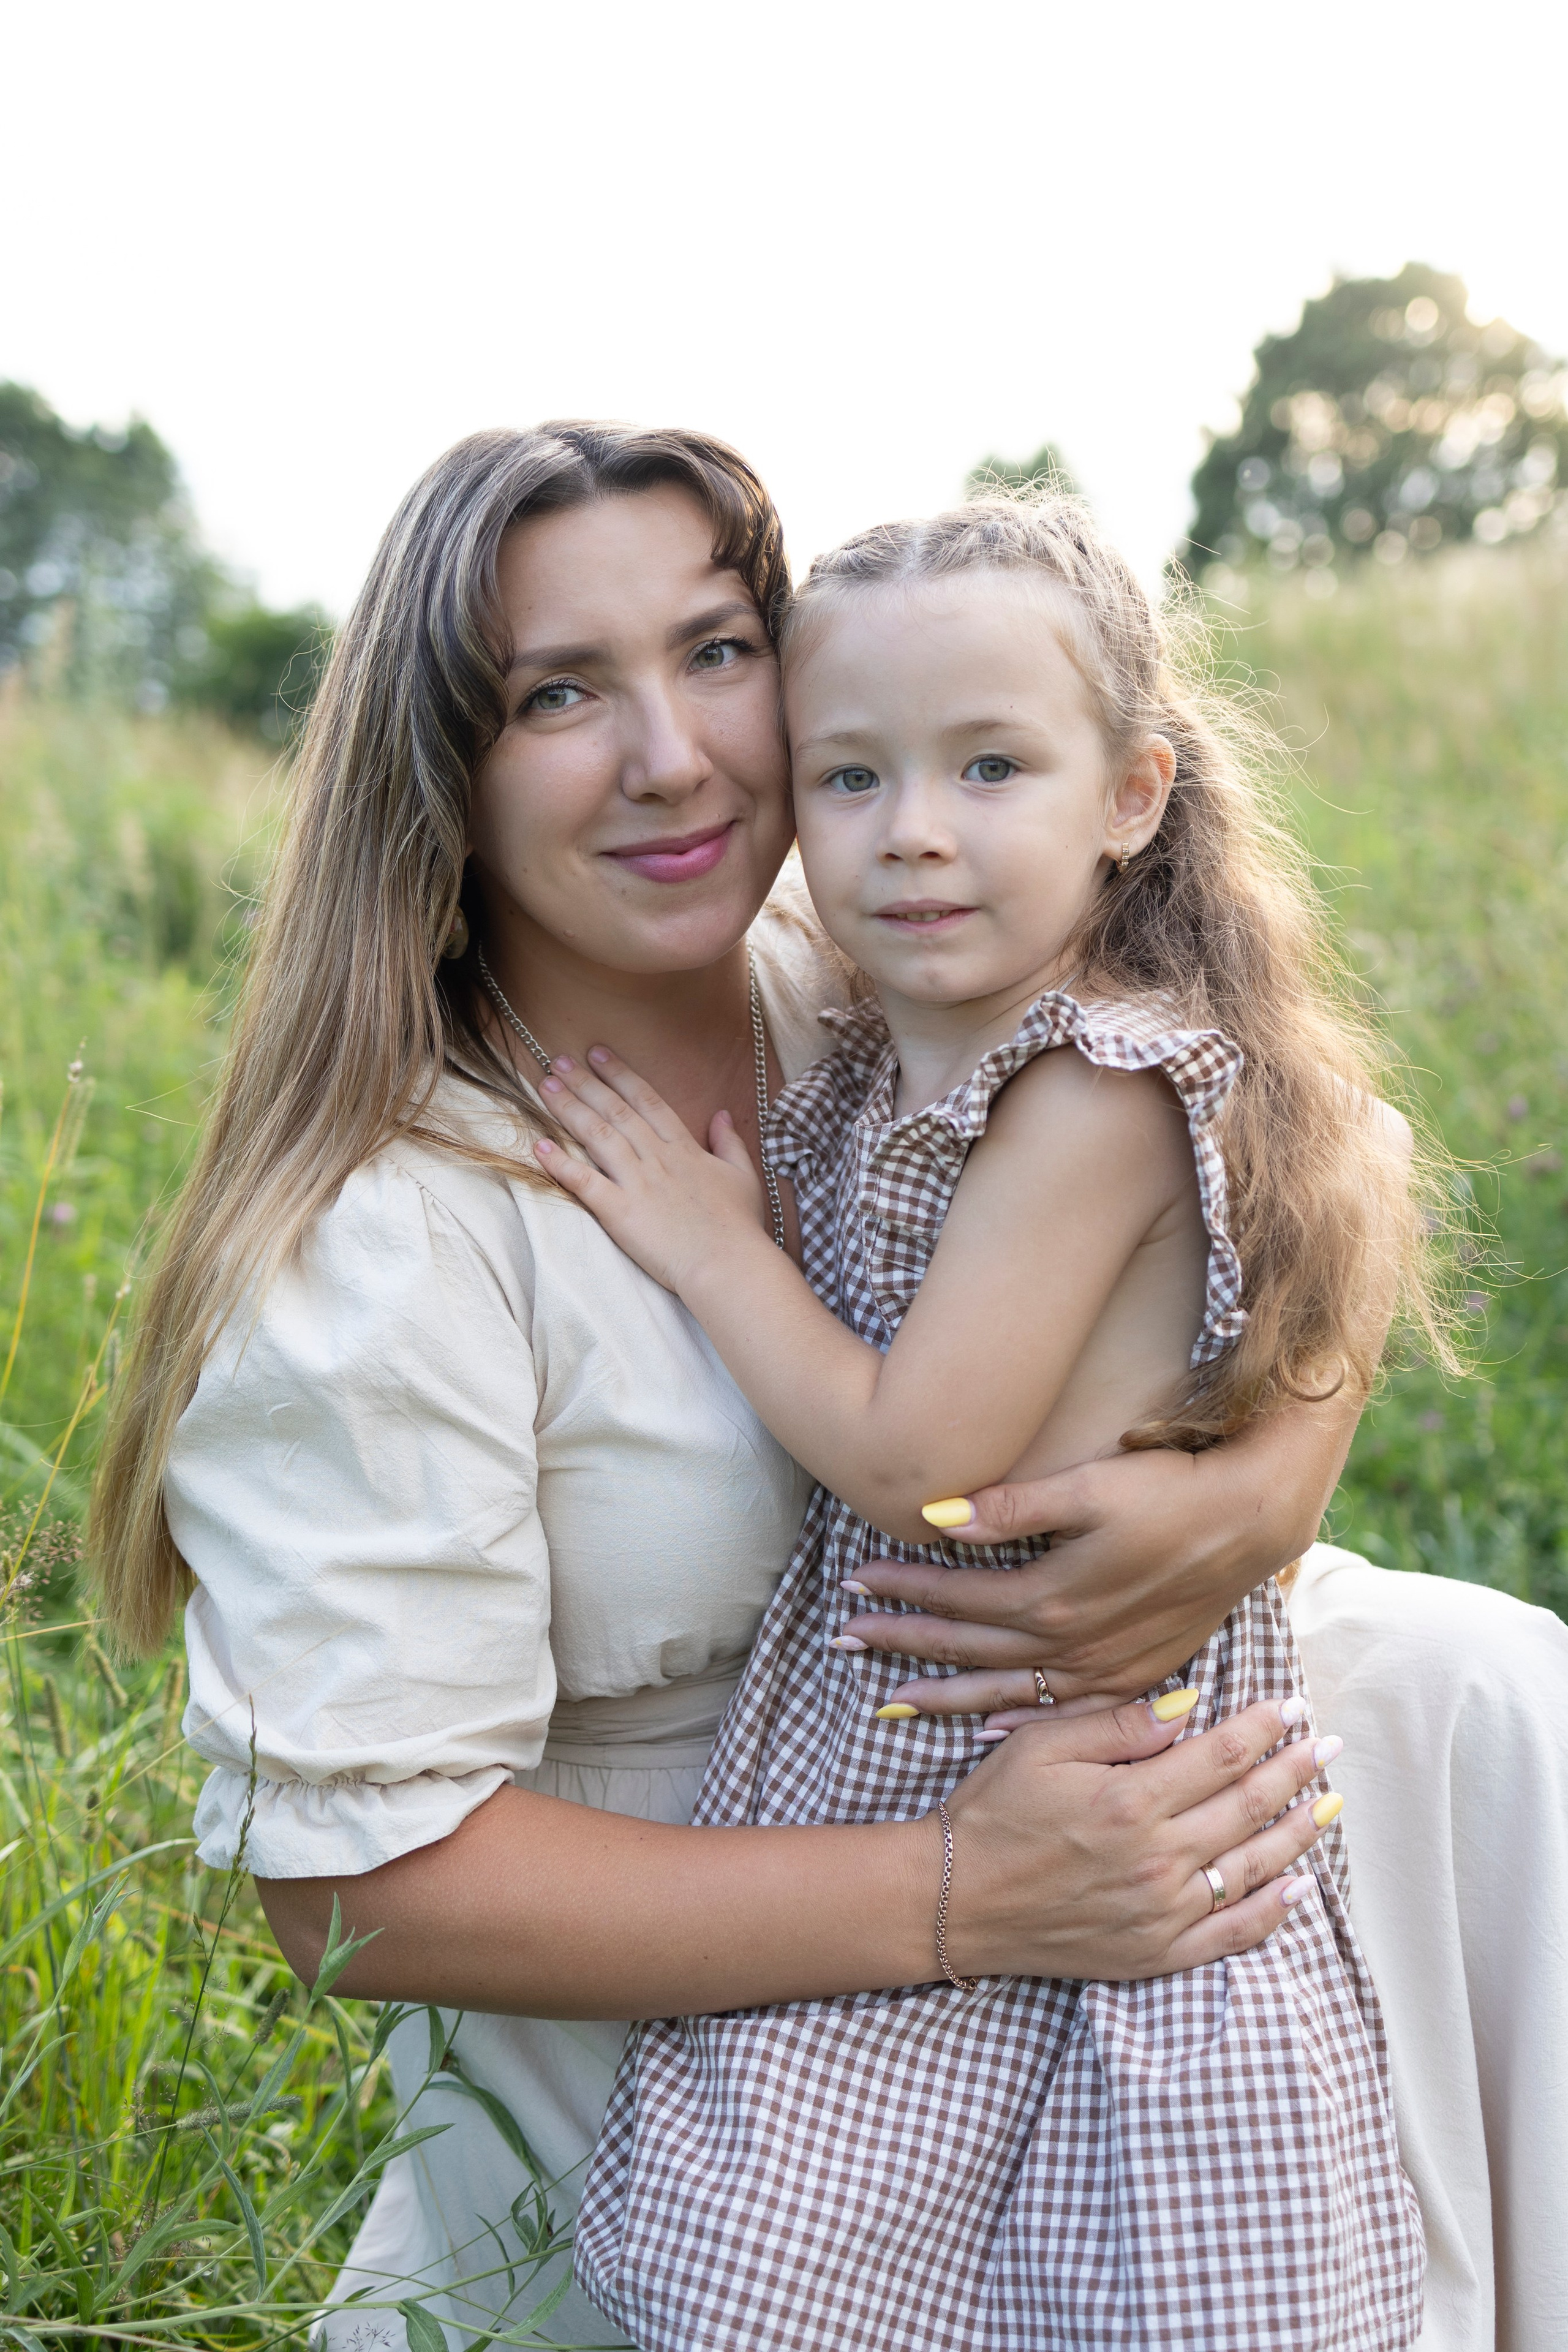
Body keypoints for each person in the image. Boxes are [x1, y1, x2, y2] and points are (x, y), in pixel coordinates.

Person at [82, 425, 1560, 2351]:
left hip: (1103, 1803)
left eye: (715, 653)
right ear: (441, 763)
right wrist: (972, 1890)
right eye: (558, 694)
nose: (674, 755)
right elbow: (365, 1886)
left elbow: (1314, 1124)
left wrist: (1274, 1477)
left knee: (1491, 1690)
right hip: (727, 2032)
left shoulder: (852, 953)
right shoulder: (388, 1235)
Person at [530, 495, 1429, 2348]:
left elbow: (913, 1455)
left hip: (1059, 1740)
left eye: (990, 767)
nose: (914, 831)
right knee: (814, 2237)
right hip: (923, 1732)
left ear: (1130, 795)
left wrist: (710, 1246)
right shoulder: (900, 1033)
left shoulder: (1090, 1086)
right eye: (848, 779)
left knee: (1094, 2238)